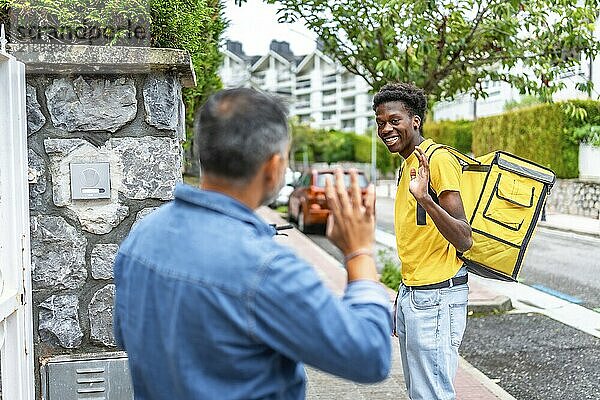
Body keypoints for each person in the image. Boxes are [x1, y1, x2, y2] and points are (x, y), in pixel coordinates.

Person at [113, 88, 392, 399]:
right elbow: (370, 355)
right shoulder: (267, 268)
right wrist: (359, 253)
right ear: (273, 168)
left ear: (202, 152)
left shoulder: (142, 236)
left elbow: (128, 337)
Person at [373, 82, 473, 400]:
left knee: (433, 393)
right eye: (380, 122)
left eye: (394, 120)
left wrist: (426, 200)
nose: (386, 128)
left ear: (414, 121)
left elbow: (464, 237)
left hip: (437, 299)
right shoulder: (409, 165)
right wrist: (402, 295)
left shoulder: (437, 160)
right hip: (415, 295)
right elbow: (417, 242)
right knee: (420, 393)